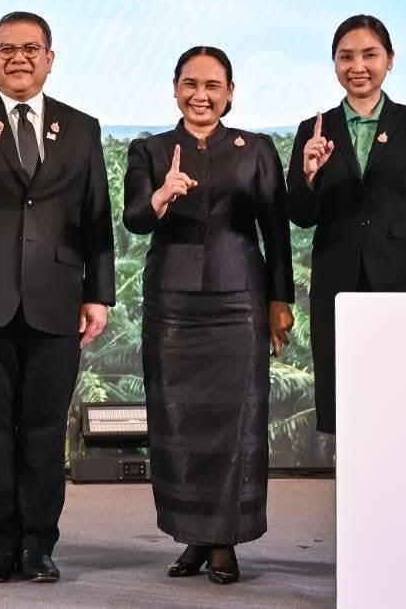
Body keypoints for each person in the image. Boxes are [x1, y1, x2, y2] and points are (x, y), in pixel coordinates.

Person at [0, 11, 114, 584]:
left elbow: (96, 217)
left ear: (49, 59)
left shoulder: (81, 127)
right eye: (6, 49)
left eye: (31, 48)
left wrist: (99, 294)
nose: (19, 58)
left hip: (56, 298)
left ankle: (38, 544)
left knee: (44, 426)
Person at [122, 45, 293, 585]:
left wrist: (279, 302)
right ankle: (193, 536)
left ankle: (224, 542)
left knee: (234, 422)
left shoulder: (256, 149)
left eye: (212, 85)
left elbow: (276, 232)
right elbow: (134, 220)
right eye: (190, 84)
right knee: (178, 421)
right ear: (175, 89)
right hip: (172, 303)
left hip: (239, 300)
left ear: (230, 92)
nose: (201, 95)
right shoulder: (149, 150)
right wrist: (161, 197)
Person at [286, 14, 406, 435]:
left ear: (389, 60)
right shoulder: (313, 130)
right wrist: (309, 175)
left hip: (401, 280)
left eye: (369, 55)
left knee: (399, 399)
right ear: (334, 64)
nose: (357, 66)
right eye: (346, 57)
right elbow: (300, 214)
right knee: (345, 401)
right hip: (337, 280)